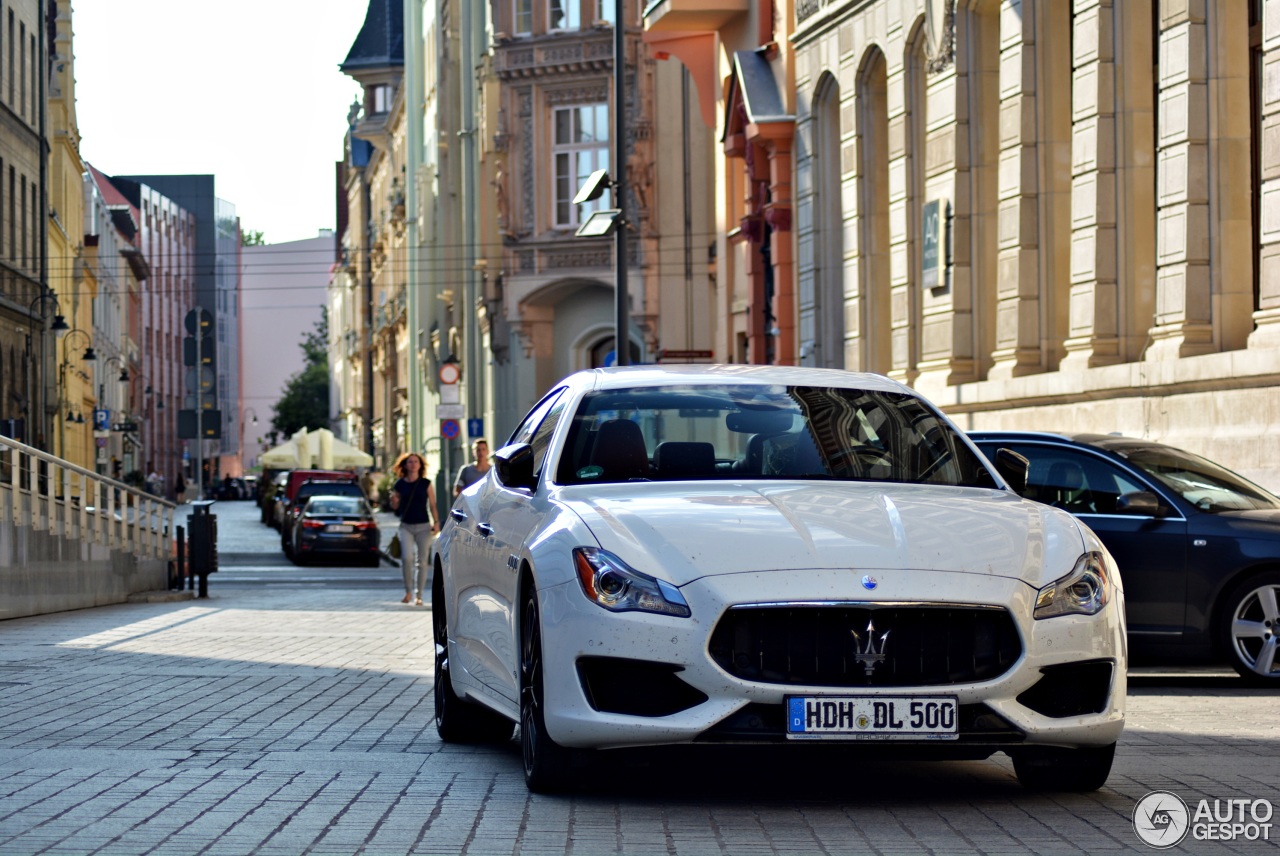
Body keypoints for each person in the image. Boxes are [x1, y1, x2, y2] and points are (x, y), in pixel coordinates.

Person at [390, 452, 438, 606]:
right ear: (404, 465)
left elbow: (432, 505)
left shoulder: (426, 483)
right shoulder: (399, 484)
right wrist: (394, 501)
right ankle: (408, 591)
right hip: (406, 526)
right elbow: (395, 507)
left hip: (424, 526)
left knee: (422, 561)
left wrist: (436, 522)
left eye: (416, 461)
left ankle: (419, 595)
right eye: (410, 462)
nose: (413, 464)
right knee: (406, 558)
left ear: (420, 465)